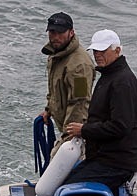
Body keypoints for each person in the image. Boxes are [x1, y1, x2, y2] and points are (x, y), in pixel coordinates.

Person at [63, 29, 137, 196]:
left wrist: (84, 130)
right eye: (95, 51)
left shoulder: (122, 83)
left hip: (117, 163)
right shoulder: (109, 75)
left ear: (117, 51)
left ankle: (129, 179)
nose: (98, 55)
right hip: (103, 157)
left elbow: (120, 126)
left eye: (103, 51)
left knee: (69, 191)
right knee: (67, 182)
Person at [41, 12, 96, 153]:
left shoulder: (79, 66)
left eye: (60, 32)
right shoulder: (56, 55)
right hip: (67, 129)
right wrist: (49, 110)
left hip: (76, 135)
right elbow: (55, 89)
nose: (55, 37)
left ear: (71, 33)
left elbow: (80, 103)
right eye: (52, 32)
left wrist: (67, 139)